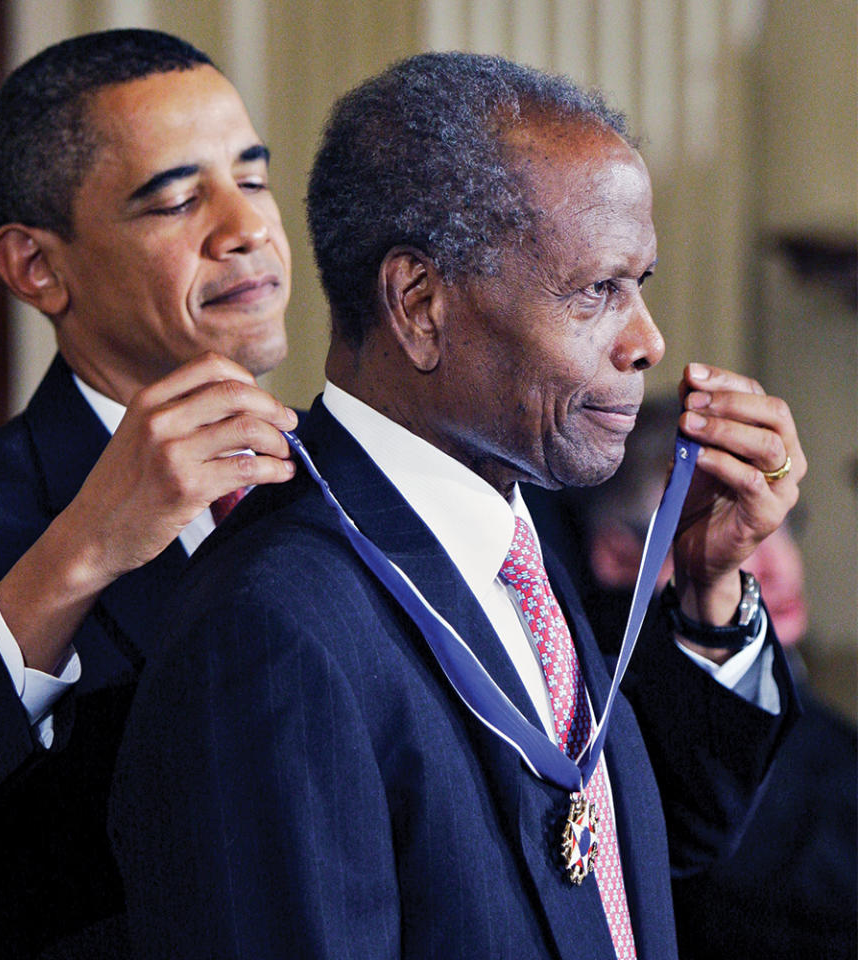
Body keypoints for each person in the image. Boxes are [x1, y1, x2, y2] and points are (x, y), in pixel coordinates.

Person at [110, 53, 806, 959]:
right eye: (599, 291)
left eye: (642, 285)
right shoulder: (273, 630)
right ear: (421, 305)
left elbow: (596, 867)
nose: (647, 341)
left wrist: (709, 592)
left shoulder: (508, 525)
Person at [0, 28, 297, 959]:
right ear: (37, 267)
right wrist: (84, 552)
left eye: (253, 177)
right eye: (175, 200)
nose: (247, 229)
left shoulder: (346, 478)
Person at [571, 393, 857, 960]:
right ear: (619, 554)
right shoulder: (610, 713)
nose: (777, 565)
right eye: (722, 525)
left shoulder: (795, 691)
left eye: (780, 524)